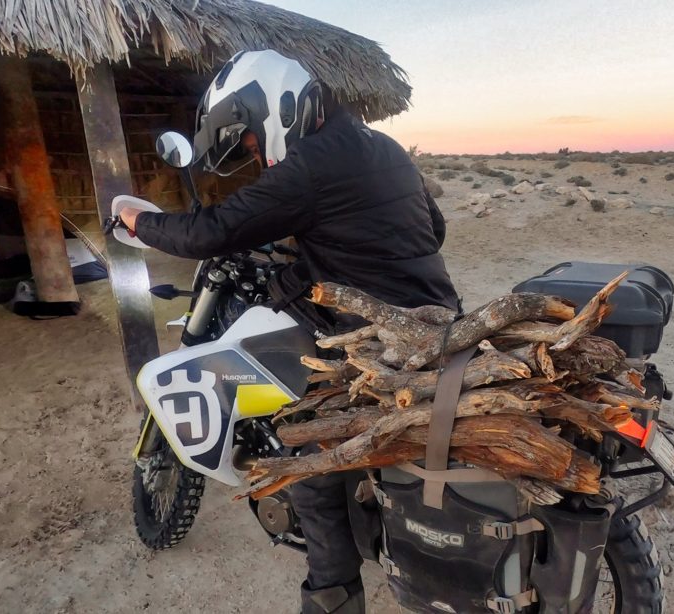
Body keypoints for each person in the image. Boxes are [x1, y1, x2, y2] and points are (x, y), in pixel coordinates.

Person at [121, 49, 458, 614]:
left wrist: (140, 219)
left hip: (371, 336)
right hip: (439, 317)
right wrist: (308, 255)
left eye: (250, 141)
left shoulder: (310, 164)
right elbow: (432, 228)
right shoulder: (382, 147)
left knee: (303, 448)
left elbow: (214, 231)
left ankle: (331, 591)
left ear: (272, 108)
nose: (255, 154)